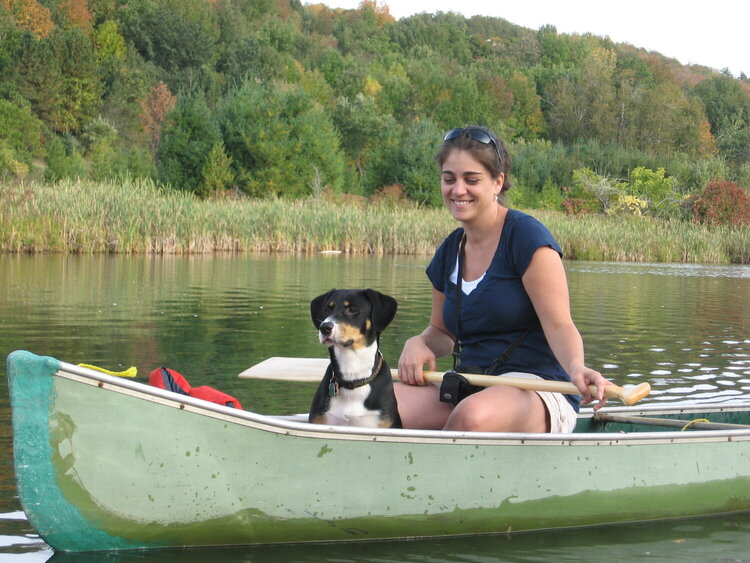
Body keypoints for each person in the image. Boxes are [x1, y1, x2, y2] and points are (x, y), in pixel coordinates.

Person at [396, 126, 610, 433]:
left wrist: (577, 367)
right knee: (370, 407)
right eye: (449, 179)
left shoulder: (527, 238)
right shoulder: (449, 250)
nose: (458, 190)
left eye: (471, 180)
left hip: (539, 389)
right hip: (472, 385)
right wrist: (418, 343)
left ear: (497, 182)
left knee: (472, 417)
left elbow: (560, 325)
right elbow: (441, 332)